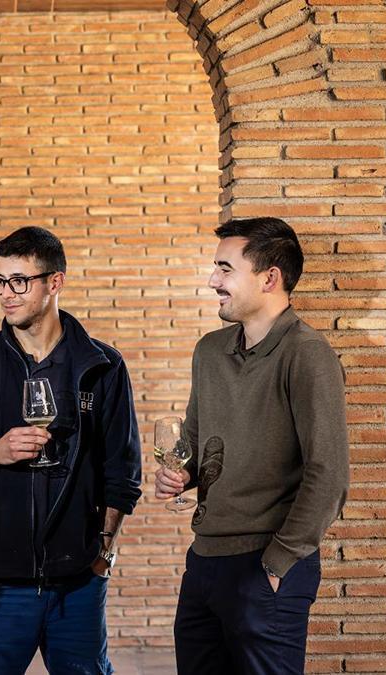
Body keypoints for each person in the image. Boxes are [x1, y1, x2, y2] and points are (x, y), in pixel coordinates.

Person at [0, 226, 142, 674]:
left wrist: (102, 552)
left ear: (54, 282)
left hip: (78, 581)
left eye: (19, 280)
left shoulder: (102, 366)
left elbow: (123, 471)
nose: (6, 293)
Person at [155, 217, 349, 674]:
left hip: (265, 565)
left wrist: (278, 564)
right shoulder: (209, 351)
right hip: (202, 562)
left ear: (269, 278)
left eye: (225, 269)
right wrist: (182, 475)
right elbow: (195, 444)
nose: (212, 281)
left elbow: (329, 474)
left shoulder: (308, 354)